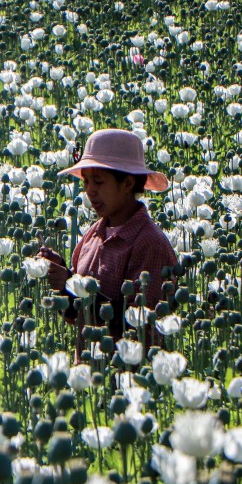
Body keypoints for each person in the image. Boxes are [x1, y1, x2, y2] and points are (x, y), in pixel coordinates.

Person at [38, 129, 177, 344]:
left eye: (99, 182)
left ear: (128, 183)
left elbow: (138, 325)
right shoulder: (93, 235)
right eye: (86, 182)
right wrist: (63, 280)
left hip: (130, 373)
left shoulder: (150, 244)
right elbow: (77, 315)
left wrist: (69, 282)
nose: (90, 191)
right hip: (88, 369)